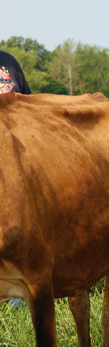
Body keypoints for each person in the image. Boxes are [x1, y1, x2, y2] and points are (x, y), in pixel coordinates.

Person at [1, 50, 31, 309]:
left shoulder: (8, 61)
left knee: (18, 218)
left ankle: (17, 290)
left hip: (15, 154)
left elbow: (29, 104)